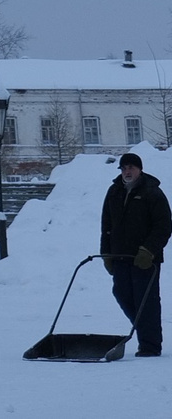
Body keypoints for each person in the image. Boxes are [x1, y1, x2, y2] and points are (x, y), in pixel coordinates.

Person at [101, 150, 171, 357]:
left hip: (145, 260)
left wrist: (148, 251)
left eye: (131, 167)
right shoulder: (114, 192)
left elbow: (164, 226)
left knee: (146, 300)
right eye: (123, 168)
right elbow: (106, 226)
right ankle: (144, 331)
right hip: (121, 256)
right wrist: (106, 254)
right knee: (121, 294)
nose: (127, 171)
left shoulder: (152, 192)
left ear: (140, 169)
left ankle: (150, 345)